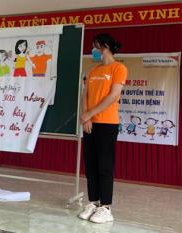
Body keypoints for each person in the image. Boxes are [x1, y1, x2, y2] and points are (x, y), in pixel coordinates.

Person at [79, 33, 127, 223]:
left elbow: (113, 96)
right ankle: (94, 202)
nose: (93, 50)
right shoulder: (92, 71)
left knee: (104, 166)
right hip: (89, 123)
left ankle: (106, 207)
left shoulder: (119, 68)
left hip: (107, 124)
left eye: (95, 46)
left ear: (105, 46)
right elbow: (86, 95)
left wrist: (90, 114)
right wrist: (85, 117)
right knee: (90, 166)